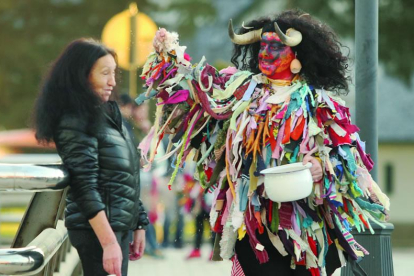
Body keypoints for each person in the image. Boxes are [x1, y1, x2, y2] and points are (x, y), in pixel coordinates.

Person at [137, 9, 390, 276]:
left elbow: (347, 156)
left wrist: (320, 165)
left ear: (297, 56)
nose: (266, 52)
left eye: (277, 46)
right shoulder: (242, 89)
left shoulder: (317, 102)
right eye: (263, 45)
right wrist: (172, 55)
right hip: (253, 220)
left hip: (303, 222)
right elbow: (200, 88)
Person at [33, 38, 149, 276]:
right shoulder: (75, 119)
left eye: (114, 73)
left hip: (116, 226)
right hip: (98, 232)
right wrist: (108, 243)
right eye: (104, 73)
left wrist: (138, 221)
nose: (112, 82)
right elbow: (84, 184)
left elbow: (125, 174)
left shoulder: (107, 116)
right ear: (81, 75)